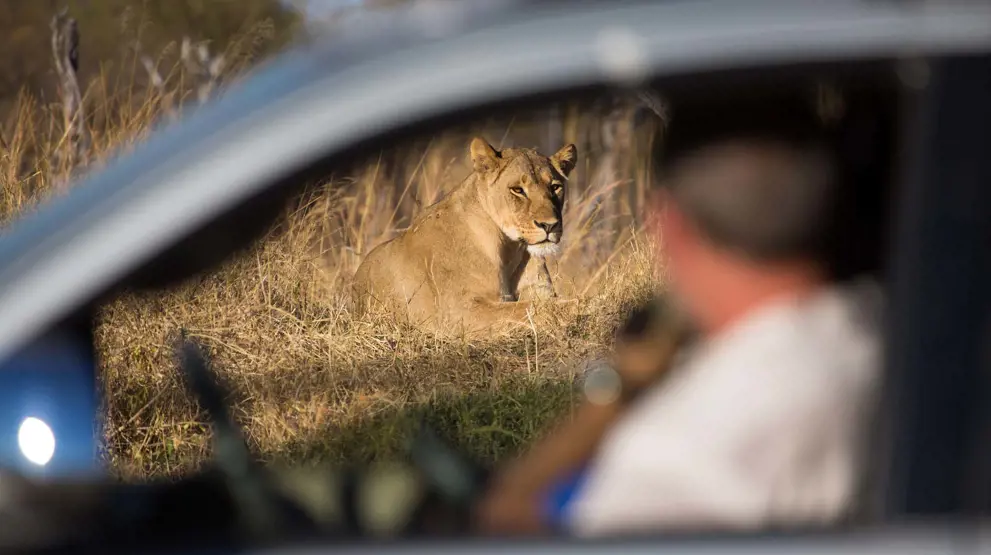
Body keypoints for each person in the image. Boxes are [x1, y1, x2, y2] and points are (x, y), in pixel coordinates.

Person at [473, 87, 884, 537]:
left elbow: (506, 520)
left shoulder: (678, 458)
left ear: (667, 226)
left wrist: (615, 393)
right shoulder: (881, 328)